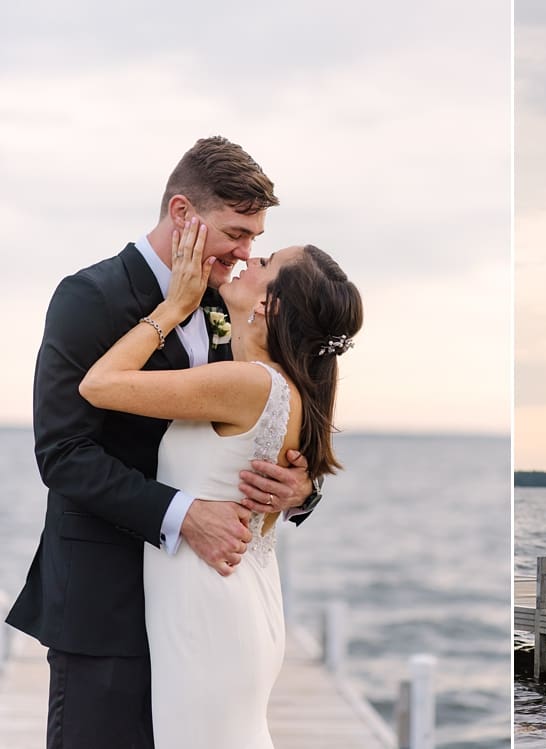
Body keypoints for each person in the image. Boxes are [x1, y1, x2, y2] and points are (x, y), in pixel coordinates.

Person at [6, 136, 320, 749]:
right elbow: (63, 453)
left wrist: (300, 489)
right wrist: (184, 515)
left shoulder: (231, 304)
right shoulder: (88, 298)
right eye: (236, 231)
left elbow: (275, 416)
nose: (243, 252)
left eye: (255, 238)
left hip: (201, 608)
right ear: (182, 213)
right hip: (107, 602)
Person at [79, 218, 363, 746]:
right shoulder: (283, 388)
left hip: (208, 613)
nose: (249, 259)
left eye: (266, 262)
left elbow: (98, 385)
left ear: (269, 306)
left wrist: (171, 309)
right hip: (230, 603)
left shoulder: (247, 382)